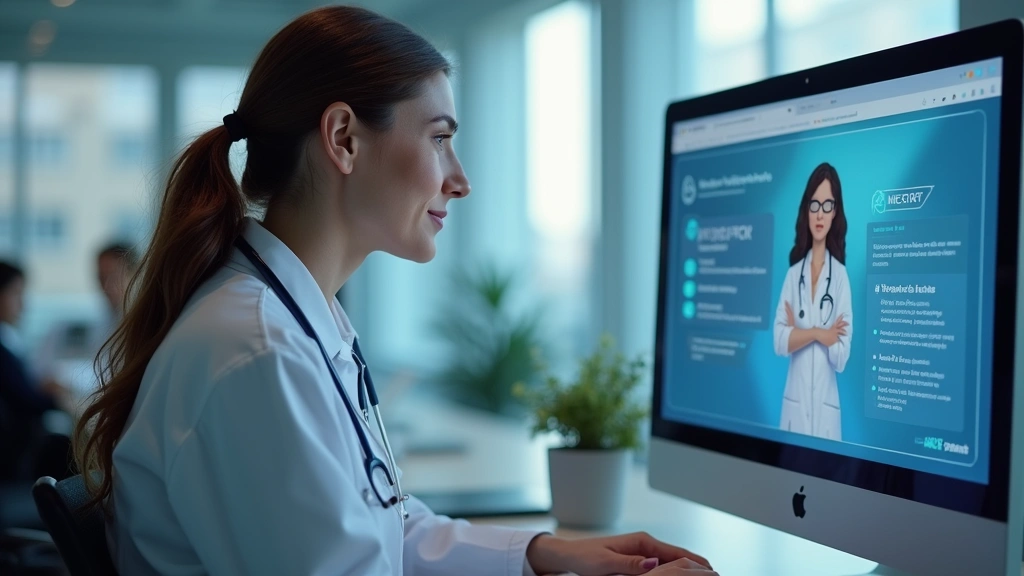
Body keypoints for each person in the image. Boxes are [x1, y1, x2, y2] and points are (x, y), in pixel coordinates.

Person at [72, 7, 716, 576]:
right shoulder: (258, 353)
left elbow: (378, 529)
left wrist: (543, 554)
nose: (460, 180)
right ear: (344, 139)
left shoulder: (292, 322)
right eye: (440, 138)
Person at [773, 162, 853, 441]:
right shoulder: (793, 275)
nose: (820, 214)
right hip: (794, 408)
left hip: (826, 413)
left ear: (835, 213)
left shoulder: (840, 277)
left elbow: (841, 357)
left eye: (827, 205)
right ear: (806, 209)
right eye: (814, 205)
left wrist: (799, 332)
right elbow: (780, 341)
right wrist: (822, 333)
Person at [0, 261, 71, 481]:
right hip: (14, 456)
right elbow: (24, 400)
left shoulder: (9, 341)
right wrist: (60, 400)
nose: (22, 304)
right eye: (16, 293)